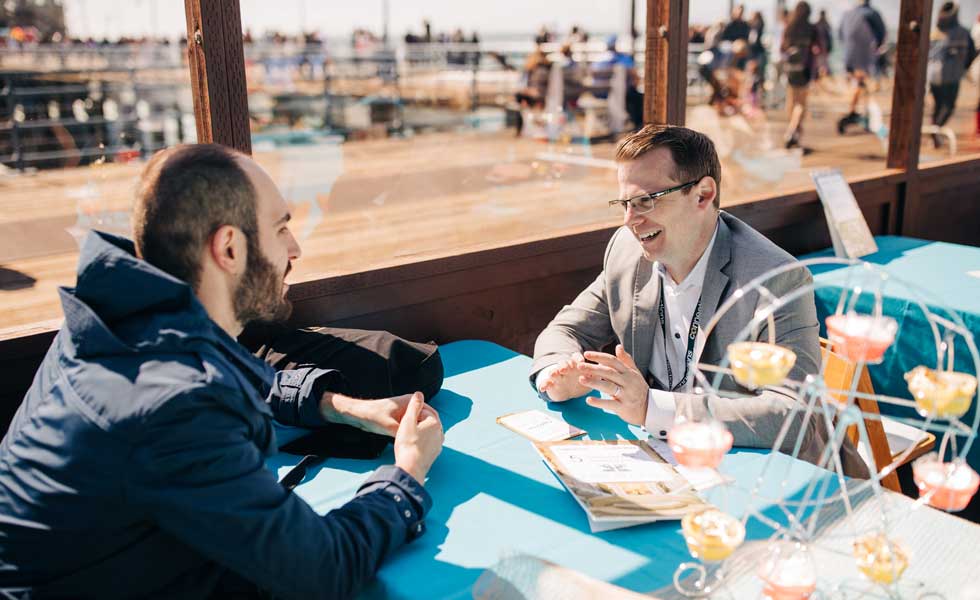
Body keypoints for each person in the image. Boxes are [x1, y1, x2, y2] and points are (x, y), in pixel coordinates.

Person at [0, 144, 445, 599]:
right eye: (281, 229)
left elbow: (229, 372)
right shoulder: (173, 407)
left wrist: (342, 408)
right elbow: (324, 569)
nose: (295, 248)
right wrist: (407, 474)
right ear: (229, 248)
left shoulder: (114, 324)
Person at [529, 125, 867, 477]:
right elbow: (567, 329)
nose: (629, 221)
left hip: (769, 478)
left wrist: (653, 408)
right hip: (668, 461)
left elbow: (795, 415)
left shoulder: (775, 278)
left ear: (703, 194)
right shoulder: (626, 251)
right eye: (625, 204)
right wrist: (556, 374)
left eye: (646, 200)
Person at [927, 2, 977, 147]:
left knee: (938, 106)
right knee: (948, 106)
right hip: (951, 75)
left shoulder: (933, 31)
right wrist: (963, 67)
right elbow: (972, 53)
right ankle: (936, 131)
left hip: (932, 75)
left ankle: (934, 132)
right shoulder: (962, 32)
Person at [837, 0, 886, 135]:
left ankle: (857, 112)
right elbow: (881, 34)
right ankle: (854, 112)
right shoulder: (872, 13)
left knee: (859, 85)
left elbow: (840, 35)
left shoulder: (847, 14)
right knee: (861, 85)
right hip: (864, 56)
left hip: (849, 56)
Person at [781, 1, 819, 149]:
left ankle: (794, 128)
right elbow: (818, 48)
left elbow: (782, 48)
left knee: (791, 99)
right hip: (805, 69)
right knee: (801, 103)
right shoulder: (812, 28)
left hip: (790, 67)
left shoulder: (789, 27)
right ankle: (792, 130)